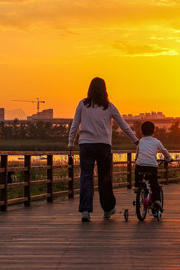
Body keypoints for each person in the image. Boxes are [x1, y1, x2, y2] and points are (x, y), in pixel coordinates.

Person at [68, 77, 139, 222]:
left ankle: (85, 211)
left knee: (86, 177)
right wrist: (135, 140)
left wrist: (70, 142)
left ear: (90, 89)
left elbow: (74, 124)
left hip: (85, 145)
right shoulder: (109, 106)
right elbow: (123, 125)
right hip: (103, 146)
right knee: (104, 178)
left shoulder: (82, 104)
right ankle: (107, 209)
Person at [135, 121, 172, 212]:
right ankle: (157, 201)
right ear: (153, 131)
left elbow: (137, 154)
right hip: (152, 166)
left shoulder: (140, 141)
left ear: (141, 132)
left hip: (140, 165)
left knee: (137, 169)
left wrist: (137, 159)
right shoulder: (156, 141)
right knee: (154, 183)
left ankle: (137, 185)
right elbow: (164, 151)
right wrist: (169, 158)